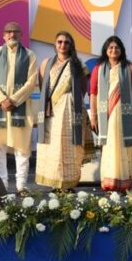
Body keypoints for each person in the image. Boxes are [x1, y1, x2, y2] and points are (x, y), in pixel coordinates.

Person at [0, 22, 38, 193]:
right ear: (3, 35)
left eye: (15, 32)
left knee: (22, 147)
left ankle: (21, 185)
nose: (12, 35)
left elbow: (31, 82)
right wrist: (1, 100)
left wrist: (13, 100)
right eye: (8, 32)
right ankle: (2, 185)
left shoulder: (29, 55)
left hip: (20, 107)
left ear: (21, 35)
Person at [35, 31, 90, 189]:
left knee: (69, 146)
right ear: (55, 44)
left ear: (71, 45)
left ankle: (69, 183)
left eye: (66, 42)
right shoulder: (46, 63)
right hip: (51, 111)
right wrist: (51, 102)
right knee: (52, 146)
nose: (63, 45)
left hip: (69, 110)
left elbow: (83, 88)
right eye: (59, 42)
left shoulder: (78, 64)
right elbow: (43, 87)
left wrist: (71, 101)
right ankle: (55, 183)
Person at [90, 35, 132, 191]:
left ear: (121, 50)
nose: (114, 50)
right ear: (106, 50)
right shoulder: (99, 69)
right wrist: (94, 115)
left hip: (124, 116)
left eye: (117, 47)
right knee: (109, 148)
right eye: (111, 47)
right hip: (106, 116)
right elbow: (93, 93)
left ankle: (123, 183)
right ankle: (109, 183)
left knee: (124, 148)